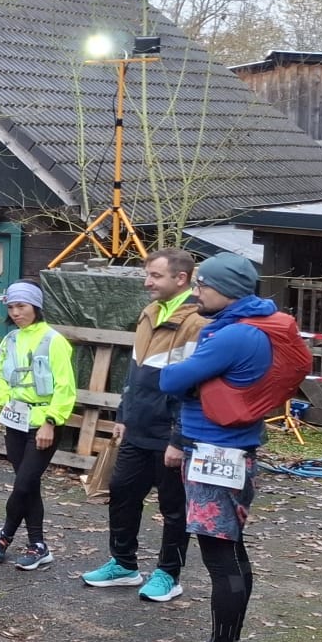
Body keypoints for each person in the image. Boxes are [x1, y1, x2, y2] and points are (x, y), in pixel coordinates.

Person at [155, 254, 278, 642]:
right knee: (229, 552)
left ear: (227, 289)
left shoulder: (235, 335)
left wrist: (186, 375)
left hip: (218, 455)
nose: (196, 292)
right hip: (218, 451)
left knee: (222, 558)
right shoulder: (239, 327)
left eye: (203, 286)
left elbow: (171, 380)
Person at [82, 247, 200, 601]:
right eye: (147, 275)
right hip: (137, 427)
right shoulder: (149, 312)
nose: (148, 282)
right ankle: (123, 564)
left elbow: (194, 387)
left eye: (156, 276)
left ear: (181, 278)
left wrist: (179, 437)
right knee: (122, 492)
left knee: (173, 508)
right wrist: (123, 415)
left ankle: (169, 574)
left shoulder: (197, 321)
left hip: (170, 433)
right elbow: (134, 372)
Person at [0, 283, 76, 573]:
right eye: (11, 307)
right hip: (15, 421)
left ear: (36, 306)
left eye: (21, 306)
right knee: (29, 485)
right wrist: (5, 402)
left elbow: (65, 387)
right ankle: (38, 545)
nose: (16, 312)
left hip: (43, 423)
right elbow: (0, 374)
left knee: (23, 484)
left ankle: (6, 535)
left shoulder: (54, 340)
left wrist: (51, 421)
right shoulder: (9, 340)